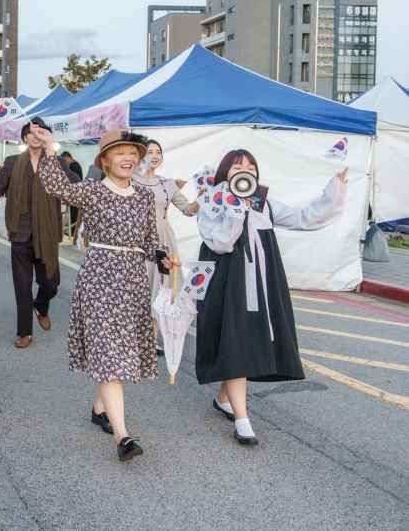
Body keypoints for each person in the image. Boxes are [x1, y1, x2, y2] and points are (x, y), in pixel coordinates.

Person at [35, 125, 168, 462]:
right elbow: (56, 186)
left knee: (117, 352)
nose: (128, 158)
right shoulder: (92, 190)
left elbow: (149, 240)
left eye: (132, 154)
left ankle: (99, 408)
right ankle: (123, 436)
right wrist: (51, 150)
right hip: (99, 280)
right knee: (110, 356)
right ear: (105, 161)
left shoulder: (143, 196)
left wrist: (162, 258)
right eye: (119, 154)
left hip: (133, 282)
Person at [197, 149, 347, 446]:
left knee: (243, 339)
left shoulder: (263, 202)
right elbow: (223, 243)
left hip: (262, 282)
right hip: (227, 281)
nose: (246, 169)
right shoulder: (212, 199)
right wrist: (236, 208)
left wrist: (336, 187)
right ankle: (242, 419)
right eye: (239, 165)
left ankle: (224, 399)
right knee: (237, 339)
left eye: (251, 165)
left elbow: (306, 217)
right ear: (226, 170)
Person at [0, 117, 63, 348]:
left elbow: (76, 185)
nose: (35, 137)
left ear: (46, 137)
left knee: (50, 284)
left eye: (40, 133)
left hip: (47, 233)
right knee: (22, 284)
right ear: (25, 137)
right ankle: (24, 332)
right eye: (31, 133)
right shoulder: (12, 162)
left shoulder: (55, 162)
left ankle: (42, 304)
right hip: (20, 232)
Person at [133, 139, 198, 354]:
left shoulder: (167, 184)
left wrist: (203, 197)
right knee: (138, 287)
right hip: (136, 241)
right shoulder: (129, 180)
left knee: (160, 289)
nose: (154, 155)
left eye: (158, 152)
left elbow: (188, 209)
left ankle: (150, 341)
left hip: (163, 242)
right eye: (150, 151)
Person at [61, 151, 84, 237]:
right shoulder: (74, 165)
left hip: (76, 194)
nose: (65, 163)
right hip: (75, 193)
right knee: (72, 212)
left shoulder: (74, 166)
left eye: (65, 160)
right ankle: (72, 231)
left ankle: (73, 232)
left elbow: (72, 180)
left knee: (74, 213)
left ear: (68, 157)